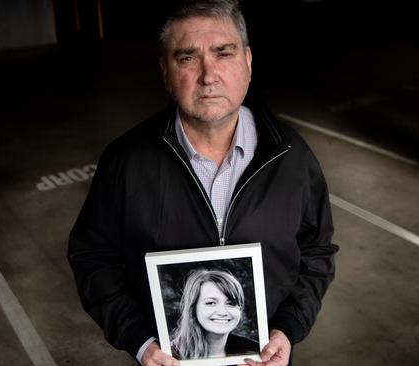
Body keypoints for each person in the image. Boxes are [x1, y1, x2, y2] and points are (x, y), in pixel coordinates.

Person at [68, 1, 338, 366]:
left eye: (223, 53)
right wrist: (140, 341)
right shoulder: (125, 161)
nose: (208, 75)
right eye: (187, 58)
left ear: (248, 61)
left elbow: (317, 252)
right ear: (165, 71)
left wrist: (288, 328)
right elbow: (93, 257)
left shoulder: (291, 155)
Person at [171, 269, 259, 360]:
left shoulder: (254, 350)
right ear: (193, 308)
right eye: (211, 303)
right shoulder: (169, 356)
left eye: (231, 303)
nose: (222, 312)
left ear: (240, 309)